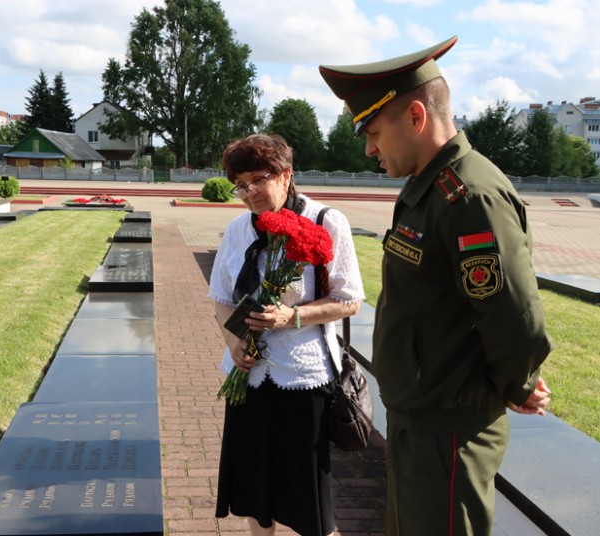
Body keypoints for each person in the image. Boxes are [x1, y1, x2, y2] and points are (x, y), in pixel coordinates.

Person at [319, 36, 553, 535]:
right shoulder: (428, 187)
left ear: (417, 117)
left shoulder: (469, 195)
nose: (369, 148)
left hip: (449, 436)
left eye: (374, 132)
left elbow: (514, 318)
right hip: (417, 426)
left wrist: (520, 384)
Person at [208, 133, 365, 536]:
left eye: (258, 180)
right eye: (240, 185)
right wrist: (235, 342)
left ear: (286, 174)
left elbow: (349, 300)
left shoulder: (326, 221)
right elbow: (221, 299)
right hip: (249, 378)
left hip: (303, 380)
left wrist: (291, 316)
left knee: (309, 500)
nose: (249, 192)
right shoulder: (238, 229)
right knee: (256, 495)